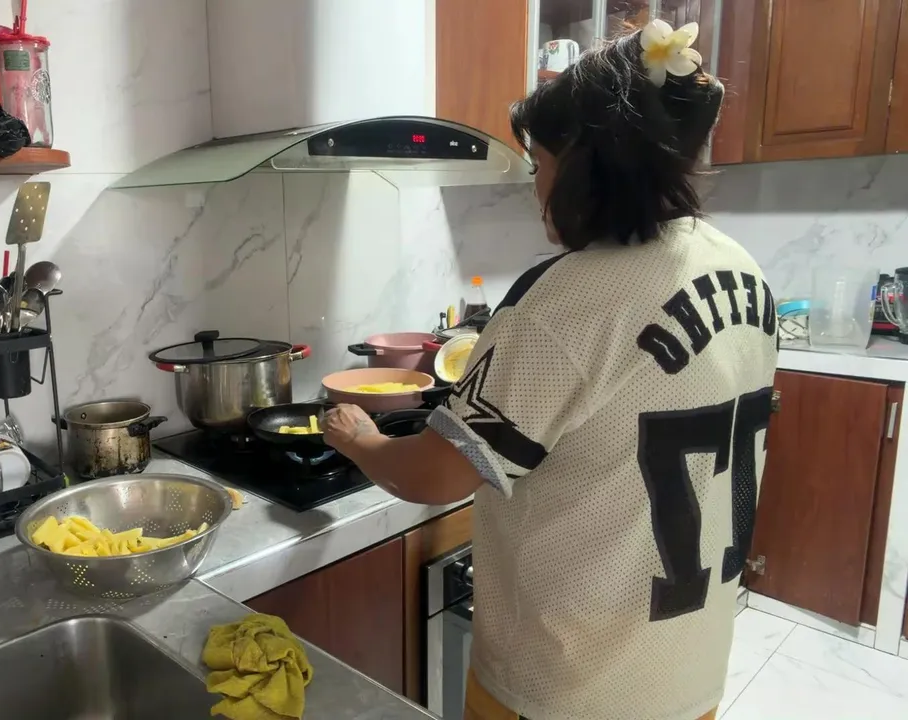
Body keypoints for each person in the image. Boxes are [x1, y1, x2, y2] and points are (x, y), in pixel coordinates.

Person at [323, 20, 778, 720]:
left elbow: (434, 476)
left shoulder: (566, 302)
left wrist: (361, 438)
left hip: (565, 689)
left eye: (539, 164)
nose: (535, 187)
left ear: (588, 166)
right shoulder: (742, 270)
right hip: (688, 677)